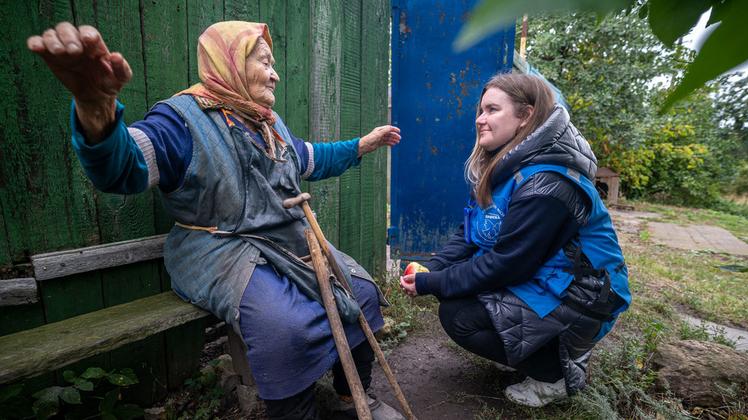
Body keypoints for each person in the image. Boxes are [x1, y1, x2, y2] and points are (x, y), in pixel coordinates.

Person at [28, 21, 404, 420]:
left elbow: (311, 158)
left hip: (284, 240)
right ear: (231, 63)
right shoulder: (180, 120)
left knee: (359, 288)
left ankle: (352, 397)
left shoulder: (267, 122)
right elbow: (125, 169)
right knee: (283, 327)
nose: (275, 73)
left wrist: (364, 144)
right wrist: (97, 110)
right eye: (264, 62)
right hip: (219, 249)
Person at [400, 73, 631, 407]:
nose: (480, 119)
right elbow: (470, 233)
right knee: (456, 291)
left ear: (525, 116)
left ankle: (556, 375)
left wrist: (432, 283)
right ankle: (523, 346)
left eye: (492, 110)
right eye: (480, 110)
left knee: (459, 317)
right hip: (546, 278)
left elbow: (508, 264)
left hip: (585, 294)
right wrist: (430, 269)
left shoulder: (547, 183)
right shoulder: (505, 165)